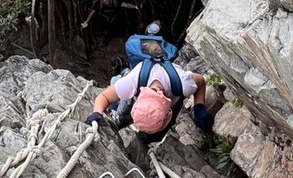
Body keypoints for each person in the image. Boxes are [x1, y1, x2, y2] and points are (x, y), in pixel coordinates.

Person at [84, 57, 213, 144]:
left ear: (169, 113)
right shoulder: (132, 83)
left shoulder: (183, 83)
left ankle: (123, 72)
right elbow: (104, 97)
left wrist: (199, 107)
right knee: (120, 106)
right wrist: (97, 113)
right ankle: (123, 71)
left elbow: (200, 81)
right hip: (137, 76)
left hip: (171, 88)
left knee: (155, 137)